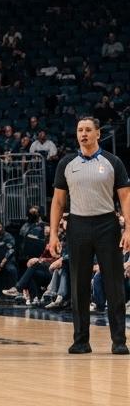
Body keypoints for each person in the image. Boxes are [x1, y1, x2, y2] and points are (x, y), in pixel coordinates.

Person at [48, 117, 130, 355]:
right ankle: (81, 340)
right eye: (79, 130)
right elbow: (58, 201)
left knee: (114, 284)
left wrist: (128, 229)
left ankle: (119, 340)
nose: (83, 134)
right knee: (79, 285)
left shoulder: (113, 162)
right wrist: (53, 234)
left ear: (98, 133)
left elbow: (125, 198)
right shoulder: (66, 163)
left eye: (87, 130)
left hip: (107, 224)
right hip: (78, 225)